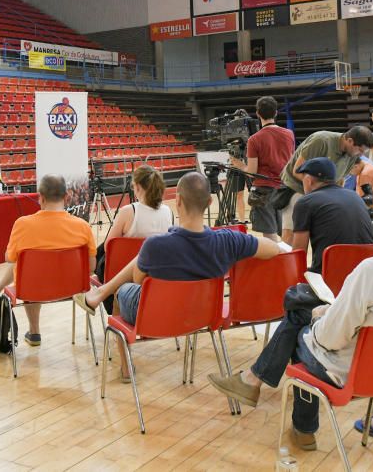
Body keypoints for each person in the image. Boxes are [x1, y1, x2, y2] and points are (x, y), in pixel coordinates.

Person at [207, 179, 373, 451]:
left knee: (300, 322)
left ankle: (298, 423)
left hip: (357, 370)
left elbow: (329, 340)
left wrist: (320, 316)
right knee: (305, 308)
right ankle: (259, 387)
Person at [74, 172, 287, 378]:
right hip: (203, 314)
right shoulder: (229, 240)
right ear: (208, 203)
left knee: (123, 290)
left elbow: (139, 281)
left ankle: (126, 367)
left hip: (156, 315)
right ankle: (101, 293)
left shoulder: (156, 245)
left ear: (178, 202)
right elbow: (273, 248)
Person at [0, 174, 96, 347]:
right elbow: (91, 267)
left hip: (33, 288)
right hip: (73, 287)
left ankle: (34, 331)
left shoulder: (22, 224)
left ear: (41, 198)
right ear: (67, 196)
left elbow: (9, 258)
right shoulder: (82, 226)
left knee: (25, 267)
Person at [93, 165, 173, 313]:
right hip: (153, 274)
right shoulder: (168, 211)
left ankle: (98, 290)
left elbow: (108, 247)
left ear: (137, 187)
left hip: (119, 272)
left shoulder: (128, 211)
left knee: (101, 249)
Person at [279, 126, 373, 245]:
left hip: (321, 195)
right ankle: (287, 262)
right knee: (291, 235)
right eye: (360, 150)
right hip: (296, 188)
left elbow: (339, 181)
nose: (360, 155)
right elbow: (297, 171)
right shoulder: (321, 141)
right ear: (349, 140)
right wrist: (318, 196)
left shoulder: (352, 156)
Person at [290, 157, 373, 274]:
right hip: (366, 272)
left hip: (331, 275)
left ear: (309, 180)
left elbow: (298, 254)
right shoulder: (355, 196)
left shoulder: (306, 202)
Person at [245, 96, 296, 241]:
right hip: (284, 188)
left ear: (258, 113)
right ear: (276, 113)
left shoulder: (254, 139)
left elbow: (252, 172)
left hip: (263, 190)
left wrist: (239, 165)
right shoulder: (289, 134)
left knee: (269, 232)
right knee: (285, 229)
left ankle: (280, 258)